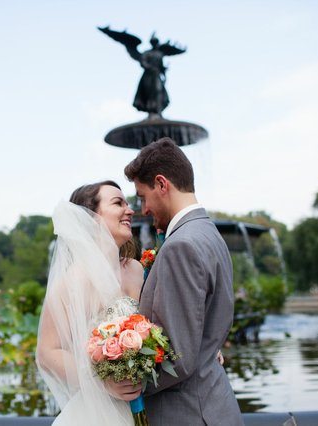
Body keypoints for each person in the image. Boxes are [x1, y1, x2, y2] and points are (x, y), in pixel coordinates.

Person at [122, 137, 243, 425]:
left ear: (162, 184)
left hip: (187, 413)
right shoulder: (210, 234)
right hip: (213, 404)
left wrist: (118, 389)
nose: (143, 209)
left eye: (142, 197)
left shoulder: (180, 246)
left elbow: (178, 358)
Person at [36, 180, 144, 425]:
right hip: (98, 411)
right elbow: (46, 352)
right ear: (92, 217)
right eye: (118, 203)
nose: (130, 210)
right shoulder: (71, 282)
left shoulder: (136, 269)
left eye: (128, 203)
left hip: (143, 403)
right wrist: (102, 381)